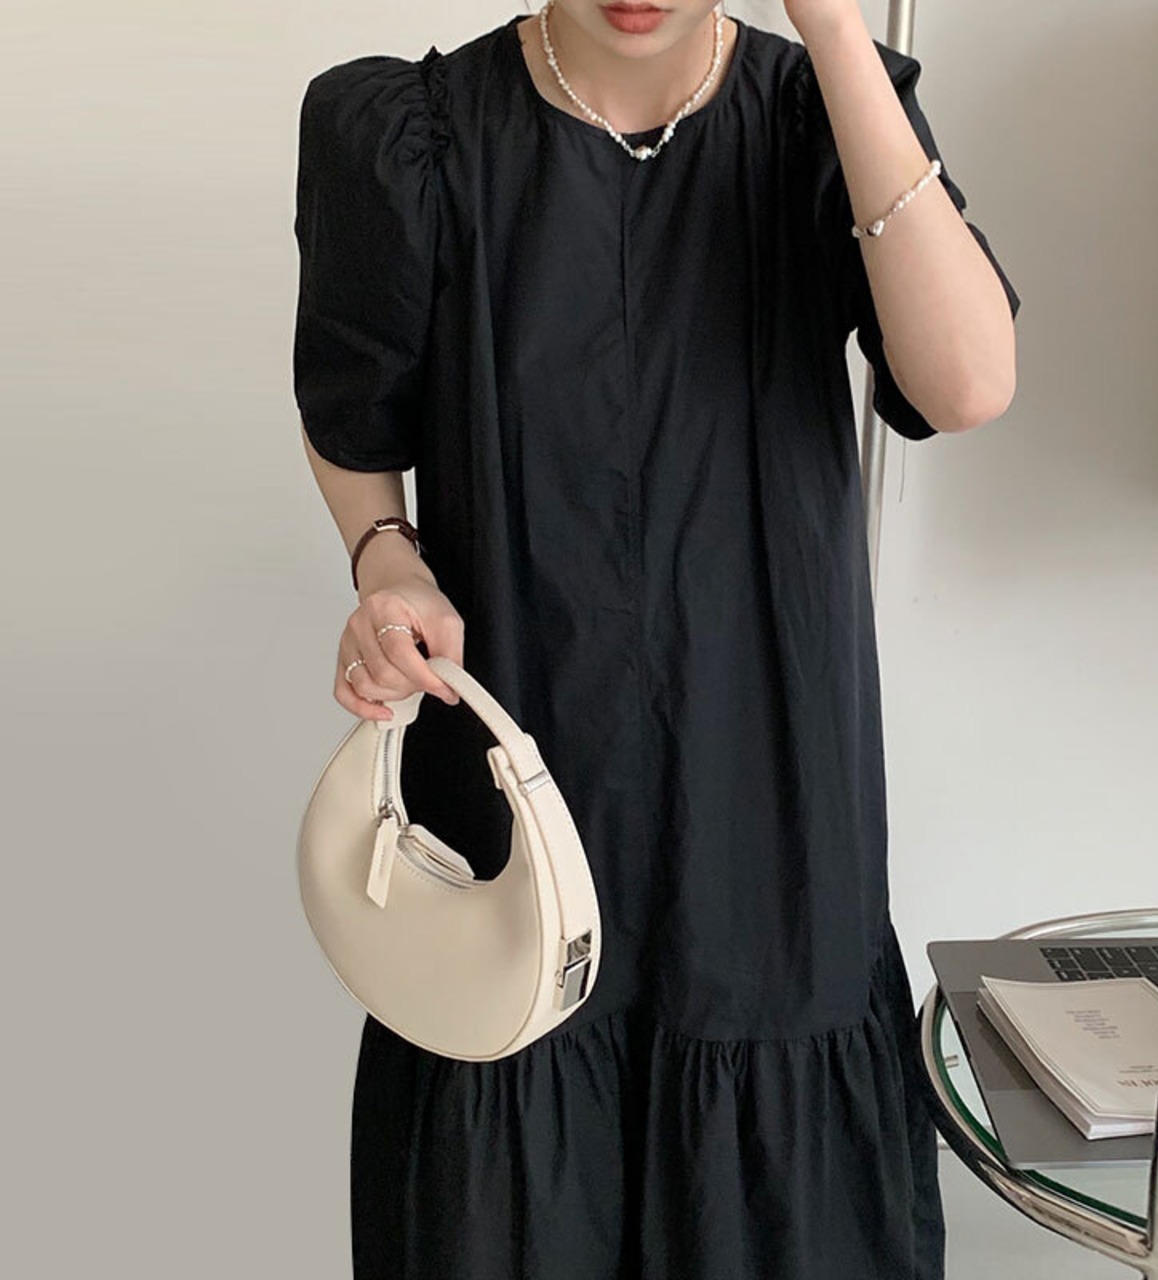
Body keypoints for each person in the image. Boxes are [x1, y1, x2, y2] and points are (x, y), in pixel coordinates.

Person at [291, 0, 1019, 1276]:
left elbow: (963, 383)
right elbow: (353, 416)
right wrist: (383, 558)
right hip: (516, 791)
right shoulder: (414, 135)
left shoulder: (815, 114)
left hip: (767, 808)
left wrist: (834, 33)